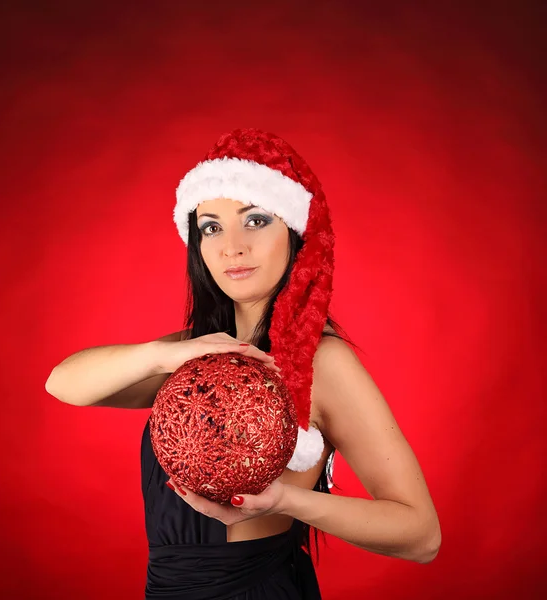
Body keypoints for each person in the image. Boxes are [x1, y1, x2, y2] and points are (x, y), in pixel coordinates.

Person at [45, 128, 441, 599]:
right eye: (211, 226)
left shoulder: (324, 362)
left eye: (255, 220)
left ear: (296, 233)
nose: (232, 246)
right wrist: (162, 354)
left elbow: (421, 536)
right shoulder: (193, 356)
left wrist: (287, 500)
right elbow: (61, 383)